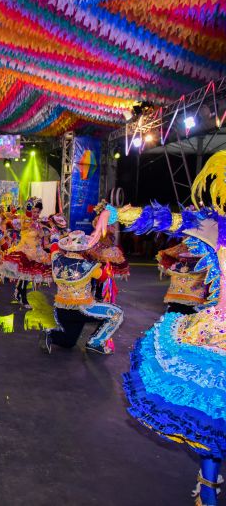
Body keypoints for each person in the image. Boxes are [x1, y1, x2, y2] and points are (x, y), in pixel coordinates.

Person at [100, 151, 226, 505]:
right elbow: (168, 220)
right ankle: (208, 489)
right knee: (212, 414)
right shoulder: (216, 228)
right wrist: (119, 213)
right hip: (219, 334)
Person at [39, 230, 123, 355]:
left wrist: (62, 240)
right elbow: (104, 277)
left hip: (61, 310)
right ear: (84, 249)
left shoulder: (56, 259)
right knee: (117, 314)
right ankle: (95, 343)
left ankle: (50, 334)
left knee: (69, 342)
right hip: (82, 309)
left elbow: (55, 246)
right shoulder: (89, 266)